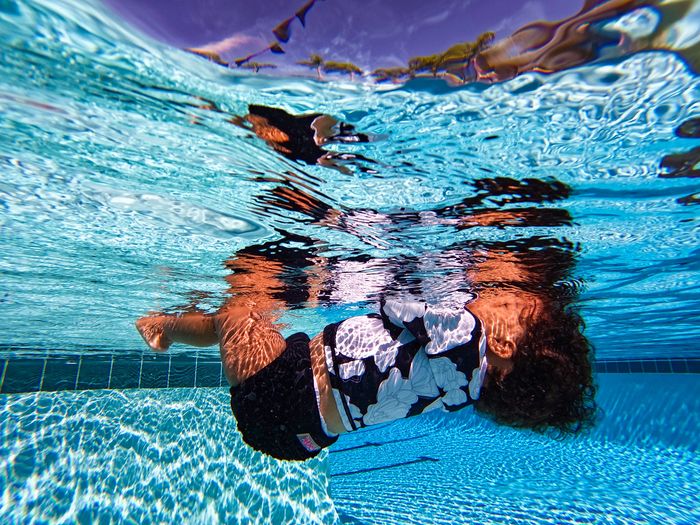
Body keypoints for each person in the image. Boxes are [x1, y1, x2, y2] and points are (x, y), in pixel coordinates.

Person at [135, 238, 596, 461]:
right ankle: (165, 328)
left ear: (505, 341)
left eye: (513, 304)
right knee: (237, 322)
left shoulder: (466, 332)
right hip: (304, 430)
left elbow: (395, 303)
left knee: (244, 304)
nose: (499, 296)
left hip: (289, 393)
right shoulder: (466, 394)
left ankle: (165, 325)